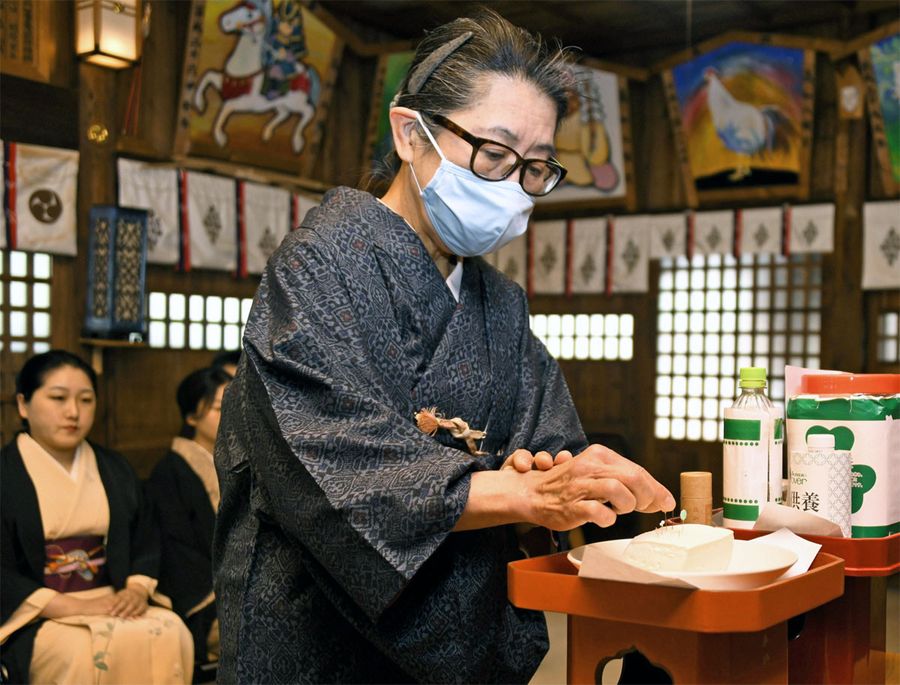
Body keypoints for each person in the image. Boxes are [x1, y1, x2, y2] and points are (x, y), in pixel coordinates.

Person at [213, 10, 674, 684]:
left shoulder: (499, 301)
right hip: (316, 634)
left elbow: (541, 441)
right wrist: (518, 493)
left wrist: (557, 471)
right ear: (411, 134)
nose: (513, 186)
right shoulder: (318, 265)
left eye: (535, 167)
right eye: (494, 154)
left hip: (464, 628)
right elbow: (333, 463)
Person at [0, 350, 193, 684]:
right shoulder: (5, 474)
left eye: (86, 400)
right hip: (36, 612)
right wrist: (66, 606)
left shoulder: (115, 468)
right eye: (58, 398)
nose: (73, 412)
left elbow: (146, 538)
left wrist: (136, 590)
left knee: (171, 630)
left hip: (111, 598)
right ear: (23, 404)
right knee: (81, 649)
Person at [147, 366, 232, 672]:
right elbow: (177, 552)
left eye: (235, 405)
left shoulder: (241, 460)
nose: (230, 415)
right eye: (219, 408)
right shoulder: (169, 473)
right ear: (191, 417)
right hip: (209, 600)